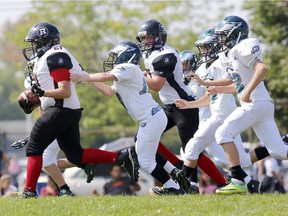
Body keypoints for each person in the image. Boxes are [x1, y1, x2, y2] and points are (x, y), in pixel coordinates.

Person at [20, 22, 139, 198]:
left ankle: (29, 191)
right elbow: (84, 77)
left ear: (45, 41)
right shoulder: (57, 55)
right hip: (67, 111)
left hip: (60, 109)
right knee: (76, 155)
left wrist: (42, 92)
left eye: (35, 42)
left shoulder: (55, 56)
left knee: (34, 149)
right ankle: (121, 157)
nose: (33, 47)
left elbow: (65, 91)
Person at [71, 40, 188, 195]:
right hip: (152, 117)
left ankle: (174, 187)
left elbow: (105, 76)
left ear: (126, 55)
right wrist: (88, 80)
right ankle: (176, 174)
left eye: (115, 55)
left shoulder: (129, 68)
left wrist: (85, 77)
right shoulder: (130, 73)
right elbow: (109, 92)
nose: (113, 60)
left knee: (145, 162)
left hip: (151, 118)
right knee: (146, 154)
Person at [136, 19, 227, 192]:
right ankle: (177, 167)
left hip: (184, 106)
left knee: (193, 151)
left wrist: (135, 77)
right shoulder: (149, 54)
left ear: (159, 37)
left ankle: (222, 182)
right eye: (143, 38)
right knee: (141, 139)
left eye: (150, 37)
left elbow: (156, 85)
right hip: (167, 105)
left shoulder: (167, 54)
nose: (146, 41)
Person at [204, 15, 288, 194]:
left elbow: (262, 68)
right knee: (280, 151)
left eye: (224, 35)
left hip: (255, 103)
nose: (221, 40)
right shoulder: (230, 54)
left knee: (223, 133)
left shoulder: (244, 46)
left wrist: (248, 92)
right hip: (261, 104)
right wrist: (213, 87)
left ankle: (238, 181)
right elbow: (235, 81)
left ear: (235, 34)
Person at [175, 29, 253, 191]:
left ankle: (180, 187)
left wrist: (214, 87)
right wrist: (188, 104)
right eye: (202, 48)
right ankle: (249, 183)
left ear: (215, 47)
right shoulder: (203, 69)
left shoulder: (223, 64)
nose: (203, 52)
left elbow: (235, 84)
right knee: (234, 161)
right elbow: (208, 98)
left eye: (206, 48)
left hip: (222, 116)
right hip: (214, 117)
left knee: (191, 148)